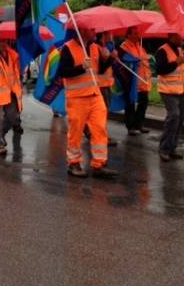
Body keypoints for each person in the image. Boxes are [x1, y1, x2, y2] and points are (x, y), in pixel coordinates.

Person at [57, 25, 118, 179]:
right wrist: (81, 67)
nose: (95, 32)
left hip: (95, 95)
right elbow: (62, 72)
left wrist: (110, 59)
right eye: (92, 29)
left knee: (99, 129)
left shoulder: (95, 47)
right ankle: (74, 163)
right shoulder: (68, 48)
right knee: (76, 132)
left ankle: (99, 164)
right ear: (82, 30)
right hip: (77, 98)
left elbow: (100, 69)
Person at [155, 33, 184, 162]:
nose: (181, 38)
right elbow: (160, 69)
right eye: (179, 36)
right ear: (171, 37)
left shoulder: (180, 50)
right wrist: (176, 62)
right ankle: (164, 149)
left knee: (180, 119)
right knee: (174, 116)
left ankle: (172, 147)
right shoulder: (162, 51)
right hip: (168, 90)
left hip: (182, 90)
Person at [119, 26, 152, 136]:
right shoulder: (124, 47)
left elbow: (145, 63)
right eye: (134, 33)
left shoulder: (141, 47)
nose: (137, 35)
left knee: (143, 103)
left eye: (138, 33)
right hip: (131, 82)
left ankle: (139, 124)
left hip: (142, 82)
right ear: (128, 35)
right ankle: (131, 126)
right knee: (130, 105)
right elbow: (124, 62)